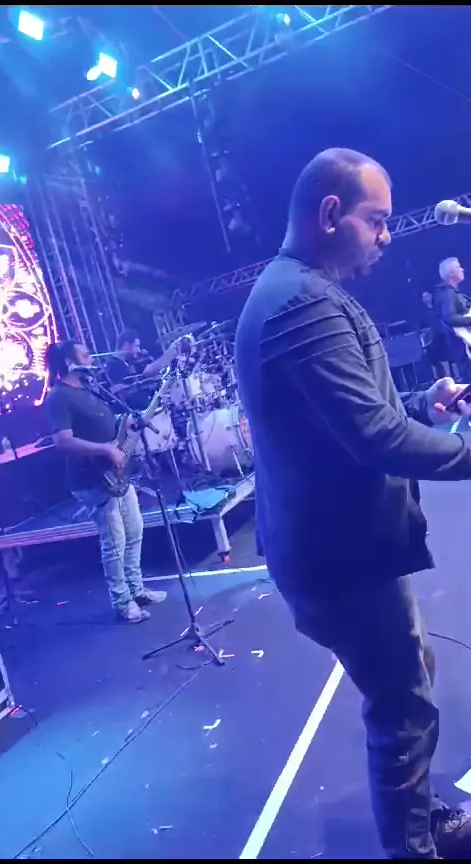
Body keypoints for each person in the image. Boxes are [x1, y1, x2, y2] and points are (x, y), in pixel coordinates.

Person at [235, 147, 471, 860]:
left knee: (410, 678)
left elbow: (346, 417)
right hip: (342, 558)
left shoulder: (295, 290)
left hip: (336, 549)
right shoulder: (303, 302)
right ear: (332, 213)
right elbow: (375, 438)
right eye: (378, 220)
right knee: (403, 707)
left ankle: (420, 818)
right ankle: (413, 848)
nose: (387, 235)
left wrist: (422, 402)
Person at [44, 340, 167, 623]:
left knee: (134, 531)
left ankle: (136, 589)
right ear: (69, 362)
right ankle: (122, 602)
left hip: (117, 473)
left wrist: (128, 424)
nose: (91, 358)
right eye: (84, 355)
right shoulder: (59, 397)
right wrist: (105, 450)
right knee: (115, 541)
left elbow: (108, 424)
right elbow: (62, 441)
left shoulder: (90, 389)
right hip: (92, 479)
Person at [106, 329, 178, 411]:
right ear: (126, 345)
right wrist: (141, 387)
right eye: (136, 346)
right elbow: (118, 391)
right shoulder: (113, 365)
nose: (139, 350)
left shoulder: (127, 363)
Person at [434, 257, 471, 381]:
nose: (462, 269)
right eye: (458, 267)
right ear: (450, 274)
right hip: (463, 346)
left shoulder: (453, 293)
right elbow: (449, 317)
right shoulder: (446, 294)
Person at [420, 289, 451, 380]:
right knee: (433, 358)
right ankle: (437, 378)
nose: (426, 298)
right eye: (424, 297)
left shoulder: (437, 307)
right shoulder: (423, 312)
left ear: (431, 295)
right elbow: (423, 327)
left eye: (427, 296)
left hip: (442, 335)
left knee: (445, 356)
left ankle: (449, 375)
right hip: (431, 338)